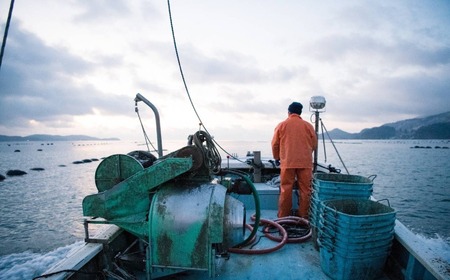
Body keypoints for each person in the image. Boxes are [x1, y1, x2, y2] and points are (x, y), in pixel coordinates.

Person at [271, 101, 317, 219]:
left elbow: (275, 144)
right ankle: (304, 217)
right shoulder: (309, 126)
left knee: (286, 189)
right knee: (306, 190)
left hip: (287, 163)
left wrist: (277, 158)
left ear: (289, 112)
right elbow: (314, 145)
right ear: (300, 113)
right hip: (305, 163)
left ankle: (283, 216)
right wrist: (306, 155)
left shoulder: (281, 125)